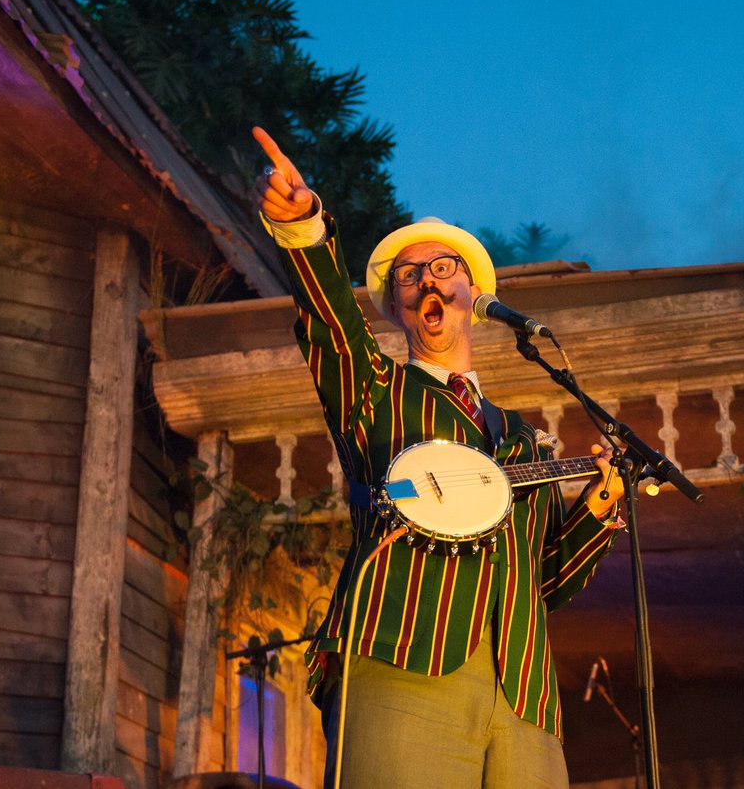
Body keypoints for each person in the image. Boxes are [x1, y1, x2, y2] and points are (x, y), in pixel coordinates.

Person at [252, 126, 625, 789]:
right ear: (397, 305)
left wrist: (598, 510)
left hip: (525, 697)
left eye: (442, 268)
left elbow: (544, 583)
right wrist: (304, 229)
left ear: (474, 299)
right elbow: (332, 327)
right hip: (403, 662)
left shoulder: (523, 438)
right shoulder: (373, 392)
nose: (426, 279)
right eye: (409, 274)